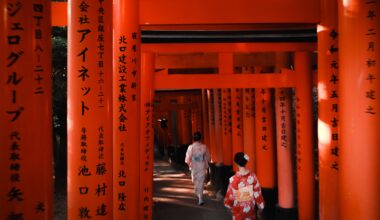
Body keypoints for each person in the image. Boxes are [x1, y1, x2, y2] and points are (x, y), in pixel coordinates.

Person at [224, 152, 265, 220]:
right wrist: (261, 206)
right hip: (250, 208)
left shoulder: (233, 179)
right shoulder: (253, 176)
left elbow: (230, 197)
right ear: (246, 162)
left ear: (235, 163)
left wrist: (228, 205)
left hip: (238, 209)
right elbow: (257, 193)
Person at [185, 131, 211, 205]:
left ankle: (200, 198)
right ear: (200, 139)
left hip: (194, 166)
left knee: (196, 181)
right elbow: (208, 158)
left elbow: (187, 159)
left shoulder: (191, 147)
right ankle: (199, 194)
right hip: (202, 166)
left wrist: (189, 164)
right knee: (200, 182)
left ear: (193, 139)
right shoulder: (204, 147)